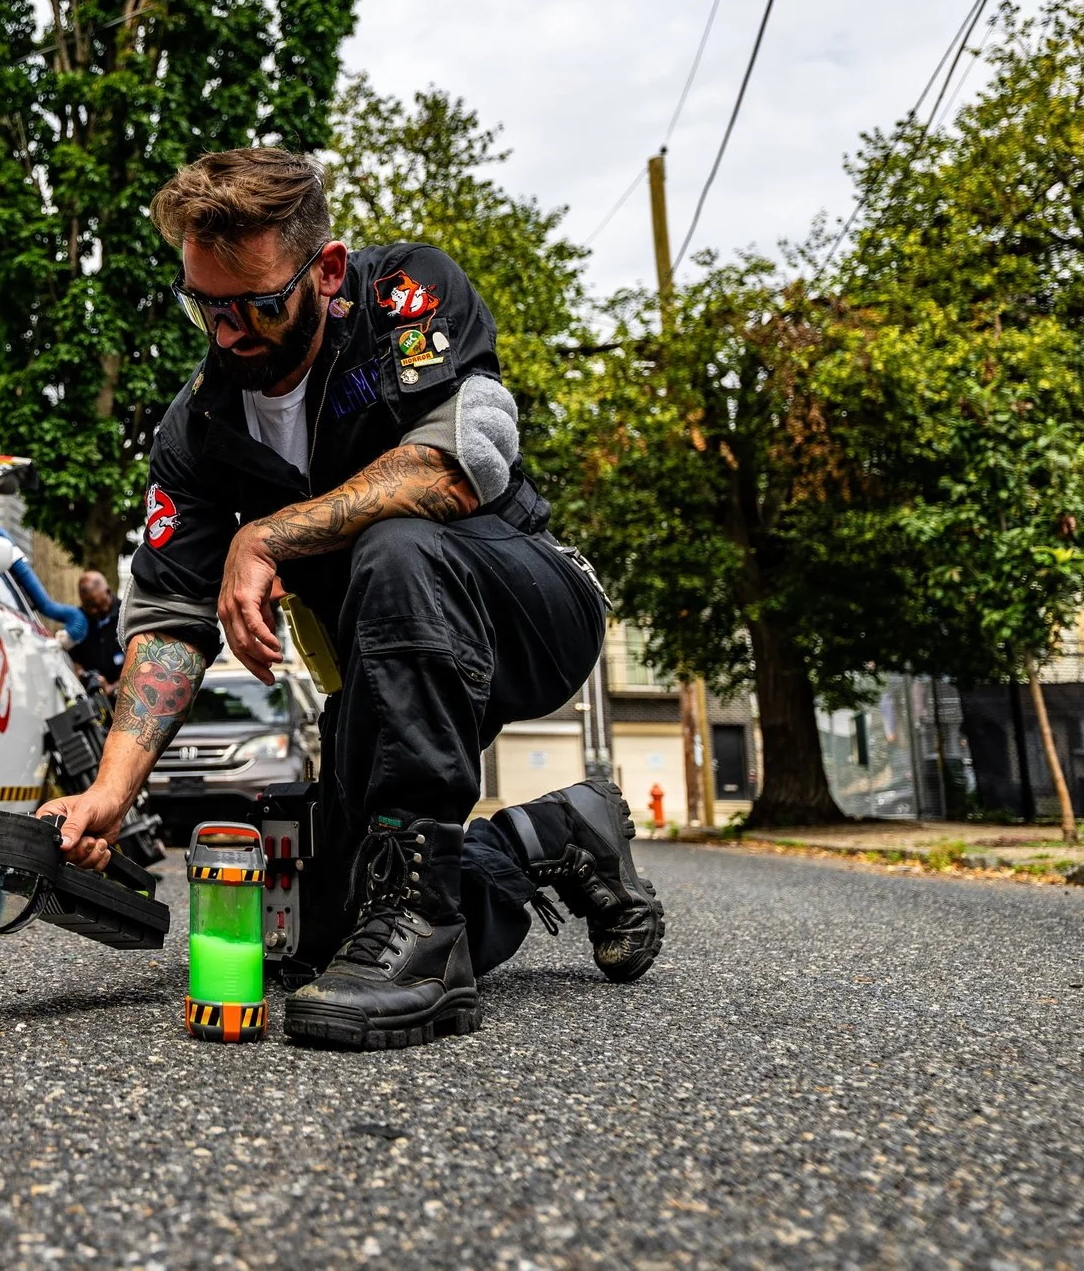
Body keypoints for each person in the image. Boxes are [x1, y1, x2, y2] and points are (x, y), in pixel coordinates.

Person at [38, 147, 664, 1051]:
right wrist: (108, 788)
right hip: (384, 663)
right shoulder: (198, 428)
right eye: (205, 307)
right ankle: (556, 834)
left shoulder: (408, 293)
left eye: (255, 304)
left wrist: (268, 534)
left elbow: (460, 464)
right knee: (333, 936)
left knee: (396, 538)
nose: (228, 333)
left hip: (526, 605)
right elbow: (170, 621)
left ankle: (429, 956)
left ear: (324, 271)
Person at [69, 569, 124, 685]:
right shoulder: (80, 620)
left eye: (96, 605)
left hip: (123, 694)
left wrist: (112, 687)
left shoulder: (127, 616)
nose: (93, 611)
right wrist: (80, 674)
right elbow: (74, 658)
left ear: (108, 592)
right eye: (87, 606)